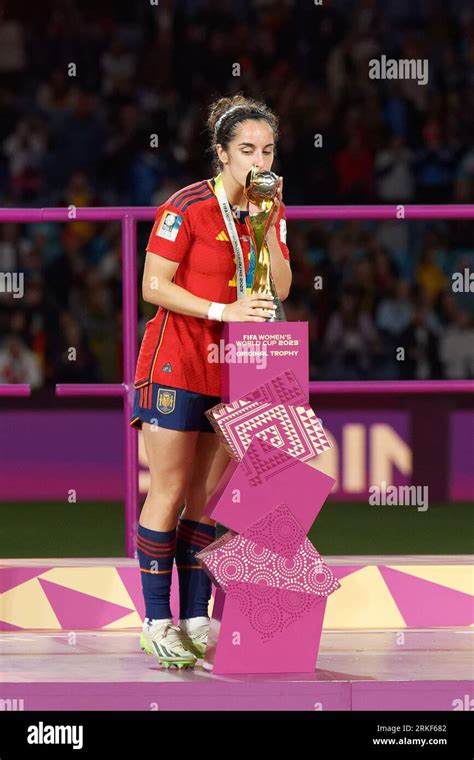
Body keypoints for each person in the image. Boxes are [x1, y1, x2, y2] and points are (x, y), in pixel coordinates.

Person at [129, 94, 292, 668]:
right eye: (246, 149)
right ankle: (156, 621)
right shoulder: (186, 206)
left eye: (267, 149)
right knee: (169, 491)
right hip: (175, 361)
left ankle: (196, 616)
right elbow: (154, 285)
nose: (257, 160)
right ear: (222, 153)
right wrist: (223, 312)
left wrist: (270, 227)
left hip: (236, 368)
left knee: (205, 498)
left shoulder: (269, 206)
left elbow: (284, 288)